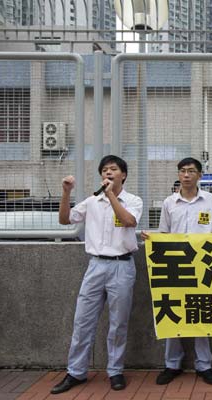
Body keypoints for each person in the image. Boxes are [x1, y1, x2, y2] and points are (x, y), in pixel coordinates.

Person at [51, 155, 143, 394]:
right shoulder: (92, 201)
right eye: (104, 170)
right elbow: (64, 220)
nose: (108, 173)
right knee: (83, 320)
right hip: (96, 266)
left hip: (122, 266)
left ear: (123, 174)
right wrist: (66, 193)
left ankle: (115, 371)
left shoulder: (133, 200)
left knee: (118, 323)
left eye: (113, 169)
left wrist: (110, 194)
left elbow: (129, 221)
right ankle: (76, 372)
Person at [141, 157, 212, 386]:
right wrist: (152, 238)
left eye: (191, 171)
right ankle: (172, 364)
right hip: (176, 265)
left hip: (202, 266)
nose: (186, 175)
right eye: (182, 171)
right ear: (178, 175)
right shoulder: (169, 203)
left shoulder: (210, 200)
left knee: (201, 312)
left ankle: (204, 365)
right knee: (172, 314)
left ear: (199, 175)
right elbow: (164, 234)